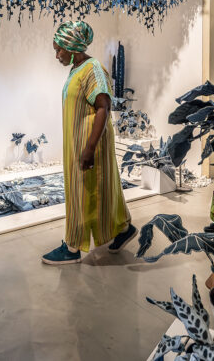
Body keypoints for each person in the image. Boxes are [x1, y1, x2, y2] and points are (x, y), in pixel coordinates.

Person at [42, 21, 136, 265]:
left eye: (59, 50)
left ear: (72, 47)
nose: (56, 55)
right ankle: (124, 228)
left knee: (81, 191)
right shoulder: (77, 69)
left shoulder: (93, 70)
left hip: (90, 144)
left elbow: (104, 107)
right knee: (100, 189)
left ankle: (72, 246)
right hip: (78, 143)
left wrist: (90, 148)